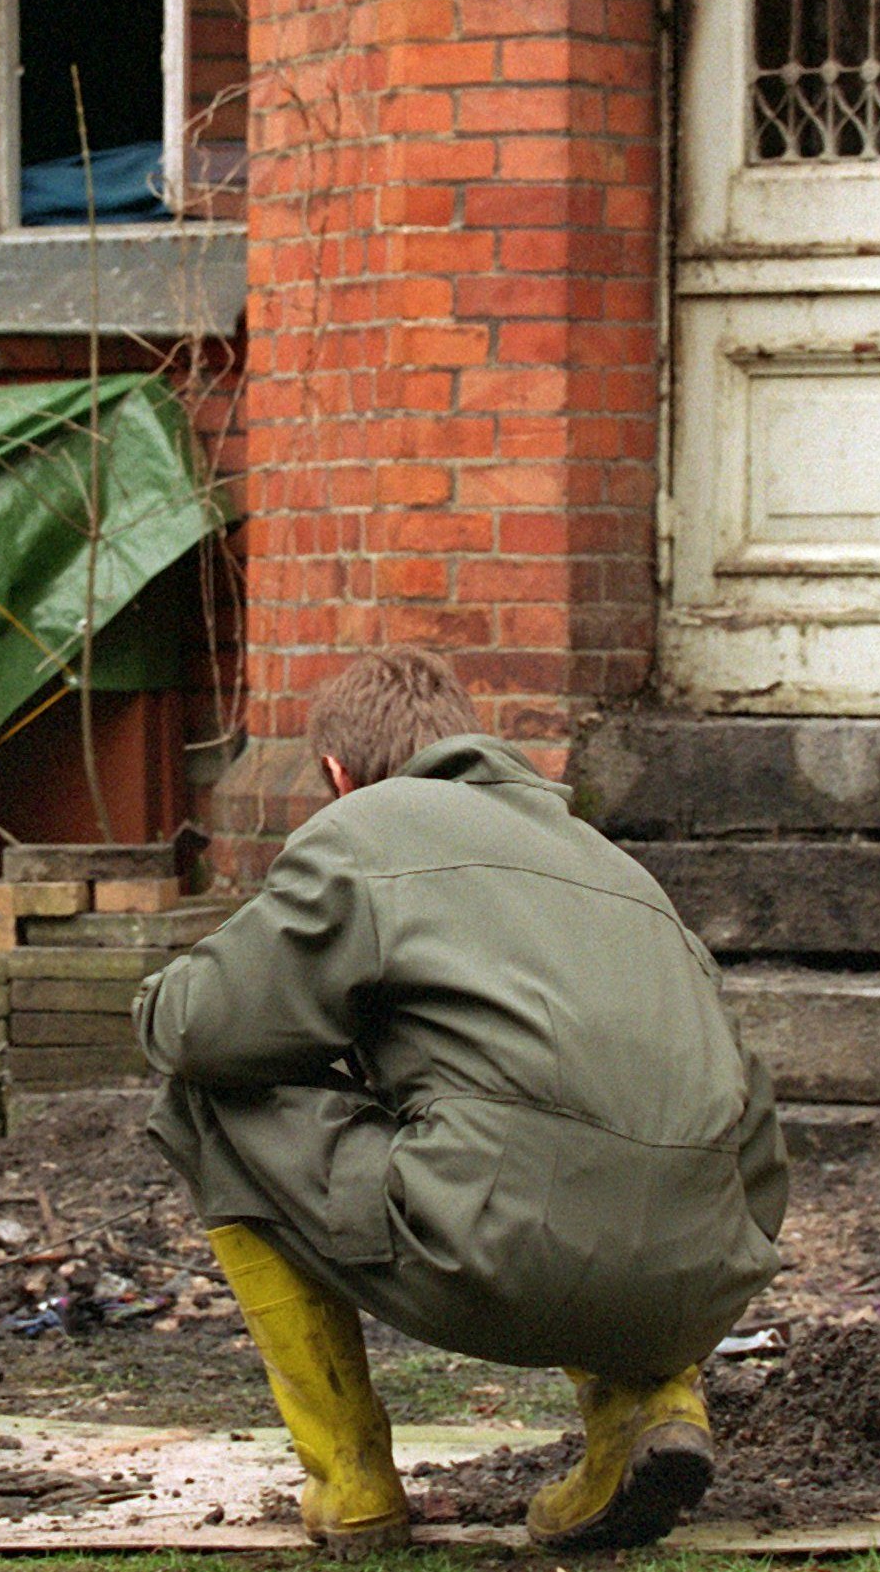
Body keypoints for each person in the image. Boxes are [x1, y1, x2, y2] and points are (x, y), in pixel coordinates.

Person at [136, 647, 786, 1555]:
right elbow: (743, 1097)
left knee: (203, 1100)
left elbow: (202, 1029)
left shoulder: (366, 830)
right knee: (590, 1107)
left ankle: (351, 1478)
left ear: (337, 772)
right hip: (702, 1274)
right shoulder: (612, 865)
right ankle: (647, 1412)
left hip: (502, 1252)